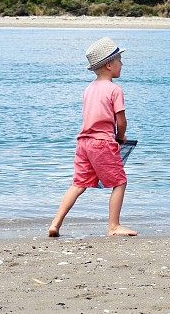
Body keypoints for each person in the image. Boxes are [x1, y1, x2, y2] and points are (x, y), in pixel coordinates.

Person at [49, 37, 138, 237]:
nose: (122, 64)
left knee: (78, 184)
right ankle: (114, 226)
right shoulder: (115, 90)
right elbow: (121, 121)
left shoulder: (88, 89)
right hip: (102, 143)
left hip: (83, 143)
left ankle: (55, 223)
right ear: (109, 65)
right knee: (120, 182)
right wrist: (120, 137)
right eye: (119, 61)